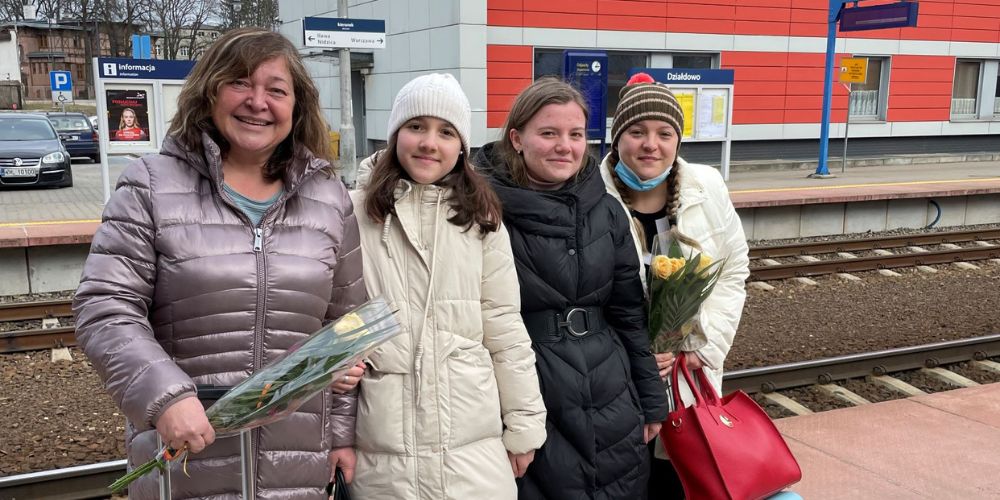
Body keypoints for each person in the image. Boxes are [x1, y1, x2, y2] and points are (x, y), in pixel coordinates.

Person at [73, 28, 367, 499]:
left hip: (295, 468)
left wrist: (344, 435)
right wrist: (165, 397)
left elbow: (347, 329)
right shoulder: (150, 185)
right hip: (185, 463)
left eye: (276, 89)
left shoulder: (328, 198)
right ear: (209, 92)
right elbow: (105, 308)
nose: (257, 101)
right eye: (239, 83)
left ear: (297, 107)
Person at [350, 73, 547, 499]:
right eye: (416, 126)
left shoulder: (481, 220)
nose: (429, 143)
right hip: (384, 449)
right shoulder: (354, 214)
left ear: (461, 146)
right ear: (394, 134)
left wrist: (525, 423)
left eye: (445, 132)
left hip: (471, 445)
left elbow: (504, 328)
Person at [473, 77, 670, 500]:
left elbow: (628, 314)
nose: (565, 145)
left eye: (575, 134)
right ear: (517, 139)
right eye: (549, 133)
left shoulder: (607, 210)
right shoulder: (480, 209)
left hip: (610, 391)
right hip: (528, 394)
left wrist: (652, 398)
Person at [599, 72, 751, 498]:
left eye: (664, 133)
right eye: (637, 131)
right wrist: (632, 353)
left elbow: (734, 269)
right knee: (626, 477)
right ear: (617, 139)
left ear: (677, 141)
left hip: (688, 373)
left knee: (685, 476)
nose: (651, 144)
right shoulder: (592, 194)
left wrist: (704, 345)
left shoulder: (707, 186)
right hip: (619, 378)